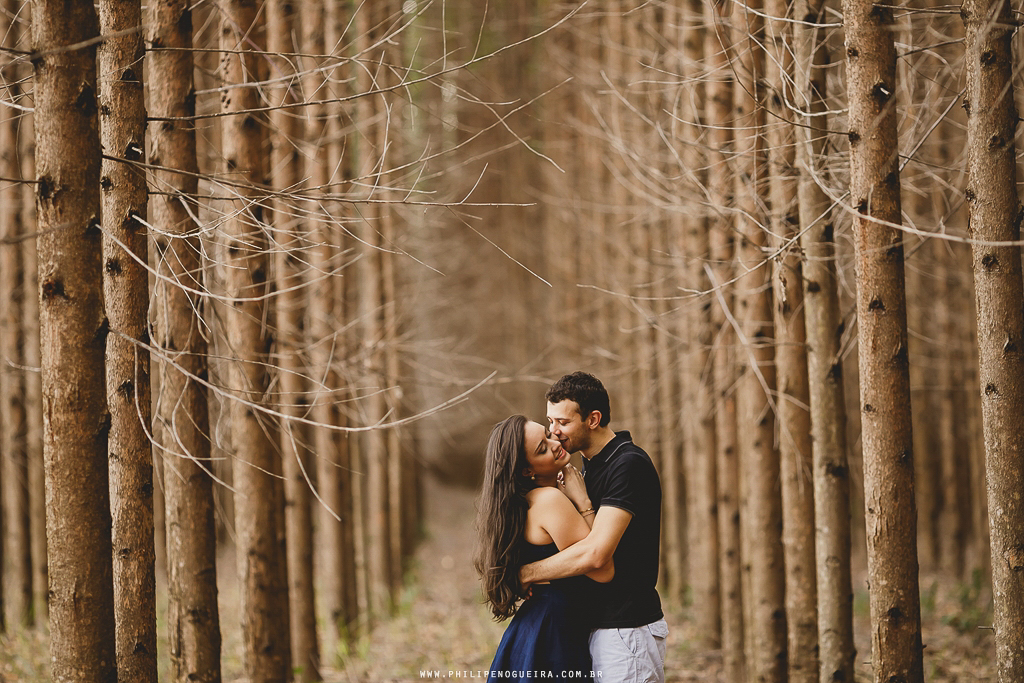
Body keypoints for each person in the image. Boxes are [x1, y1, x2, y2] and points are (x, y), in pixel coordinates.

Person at [520, 371, 668, 683]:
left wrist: (528, 573)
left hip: (626, 630)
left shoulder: (627, 464)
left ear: (593, 418)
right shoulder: (587, 469)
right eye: (550, 421)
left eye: (562, 422)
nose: (554, 432)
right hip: (595, 628)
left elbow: (596, 554)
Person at [475, 414, 614, 681]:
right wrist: (584, 501)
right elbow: (602, 568)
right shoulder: (549, 500)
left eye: (547, 435)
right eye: (542, 448)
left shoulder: (528, 503)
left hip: (539, 628)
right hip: (554, 635)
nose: (555, 442)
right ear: (528, 470)